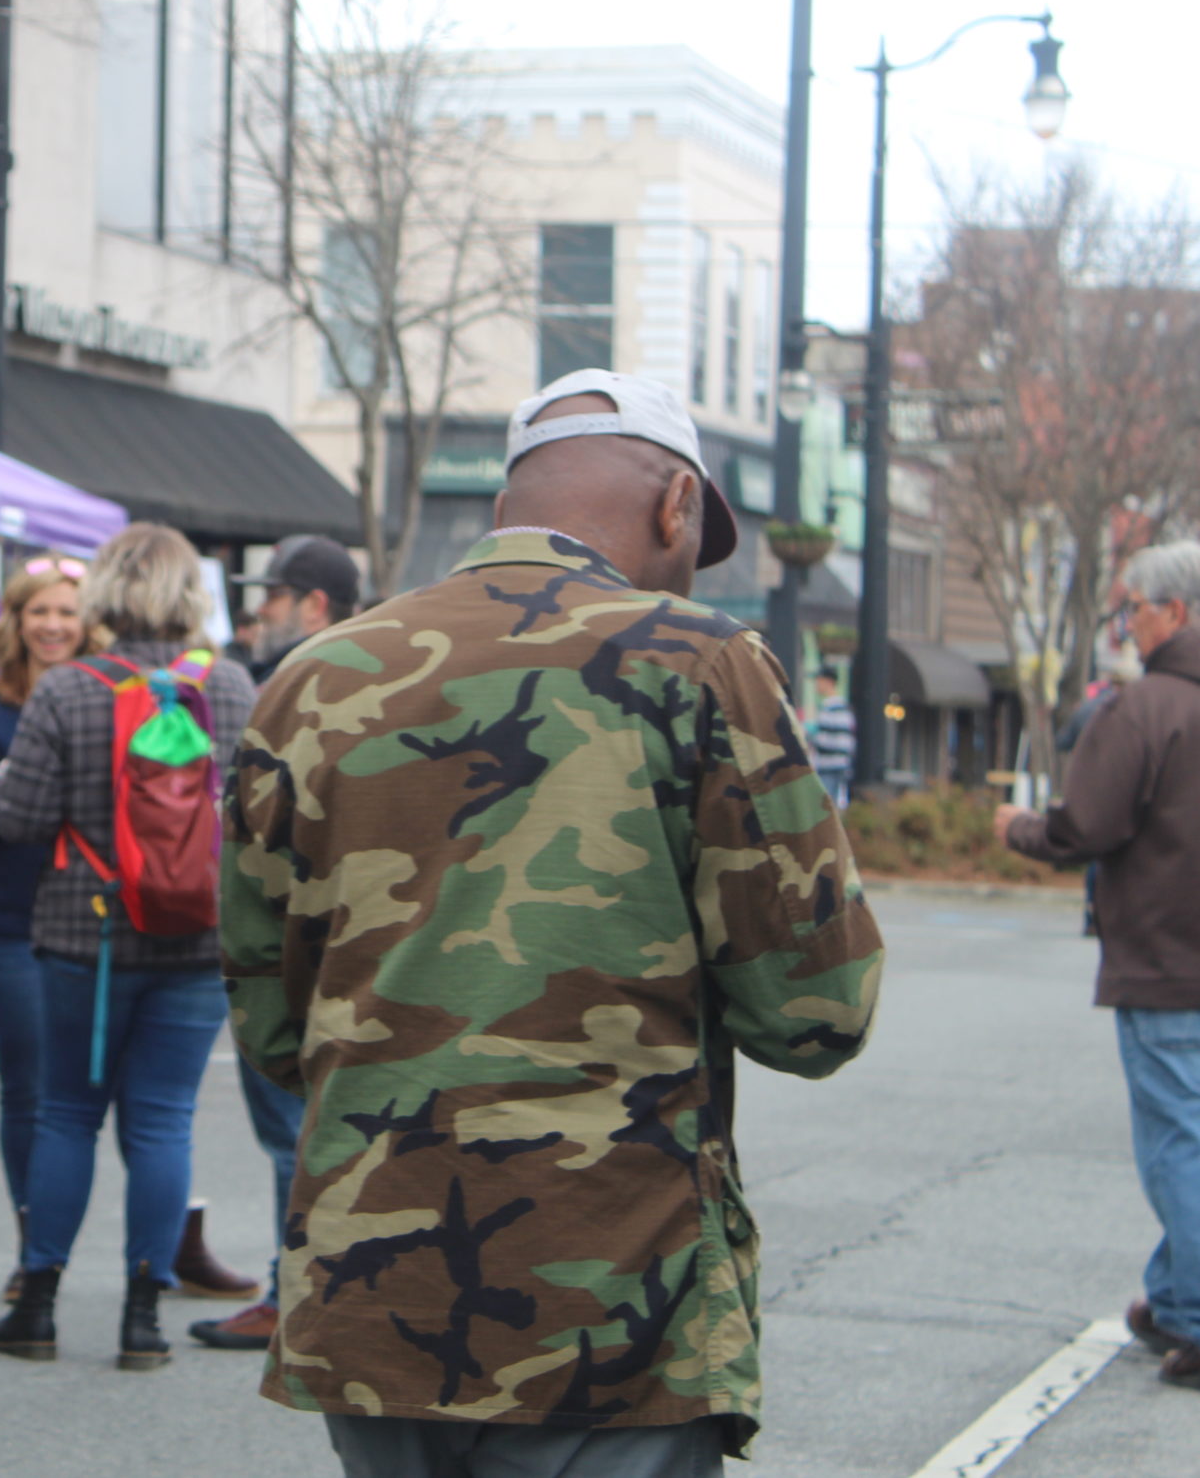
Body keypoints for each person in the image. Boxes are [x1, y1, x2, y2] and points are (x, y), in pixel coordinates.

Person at [221, 368, 884, 1474]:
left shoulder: (312, 680)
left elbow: (272, 1018)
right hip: (610, 1304)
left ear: (507, 505)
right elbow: (818, 1014)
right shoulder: (702, 666)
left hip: (372, 1298)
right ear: (676, 504)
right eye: (697, 538)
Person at [996, 541, 1200, 1397]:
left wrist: (1017, 826)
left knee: (1180, 1145)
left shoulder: (1146, 707)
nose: (1127, 624)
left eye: (1133, 608)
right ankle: (1177, 1296)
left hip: (1168, 955)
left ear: (1175, 612)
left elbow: (1085, 826)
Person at [0, 524, 259, 1371]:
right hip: (198, 940)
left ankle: (37, 1305)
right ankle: (144, 1318)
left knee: (66, 1113)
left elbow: (20, 819)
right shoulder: (235, 687)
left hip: (85, 935)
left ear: (105, 590)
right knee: (164, 1120)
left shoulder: (68, 689)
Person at [192, 537, 366, 1355]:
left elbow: (258, 838)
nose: (258, 610)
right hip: (363, 944)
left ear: (314, 604)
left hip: (297, 945)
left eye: (273, 594)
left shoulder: (295, 686)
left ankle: (292, 1292)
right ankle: (322, 1287)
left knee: (291, 1129)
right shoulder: (387, 675)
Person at [0, 554, 92, 1289]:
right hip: (6, 927)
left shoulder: (102, 703)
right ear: (16, 622)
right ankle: (34, 1247)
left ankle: (54, 1239)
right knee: (29, 1083)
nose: (53, 625)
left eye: (66, 611)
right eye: (40, 611)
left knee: (81, 1092)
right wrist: (9, 786)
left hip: (91, 923)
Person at [230, 534, 361, 685]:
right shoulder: (344, 673)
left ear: (314, 606)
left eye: (273, 596)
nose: (261, 609)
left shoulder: (302, 684)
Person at [810, 664, 857, 807]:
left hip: (829, 768)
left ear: (828, 681)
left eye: (819, 680)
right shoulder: (840, 707)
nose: (816, 684)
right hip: (836, 767)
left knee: (825, 809)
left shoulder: (833, 708)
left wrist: (811, 738)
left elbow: (838, 742)